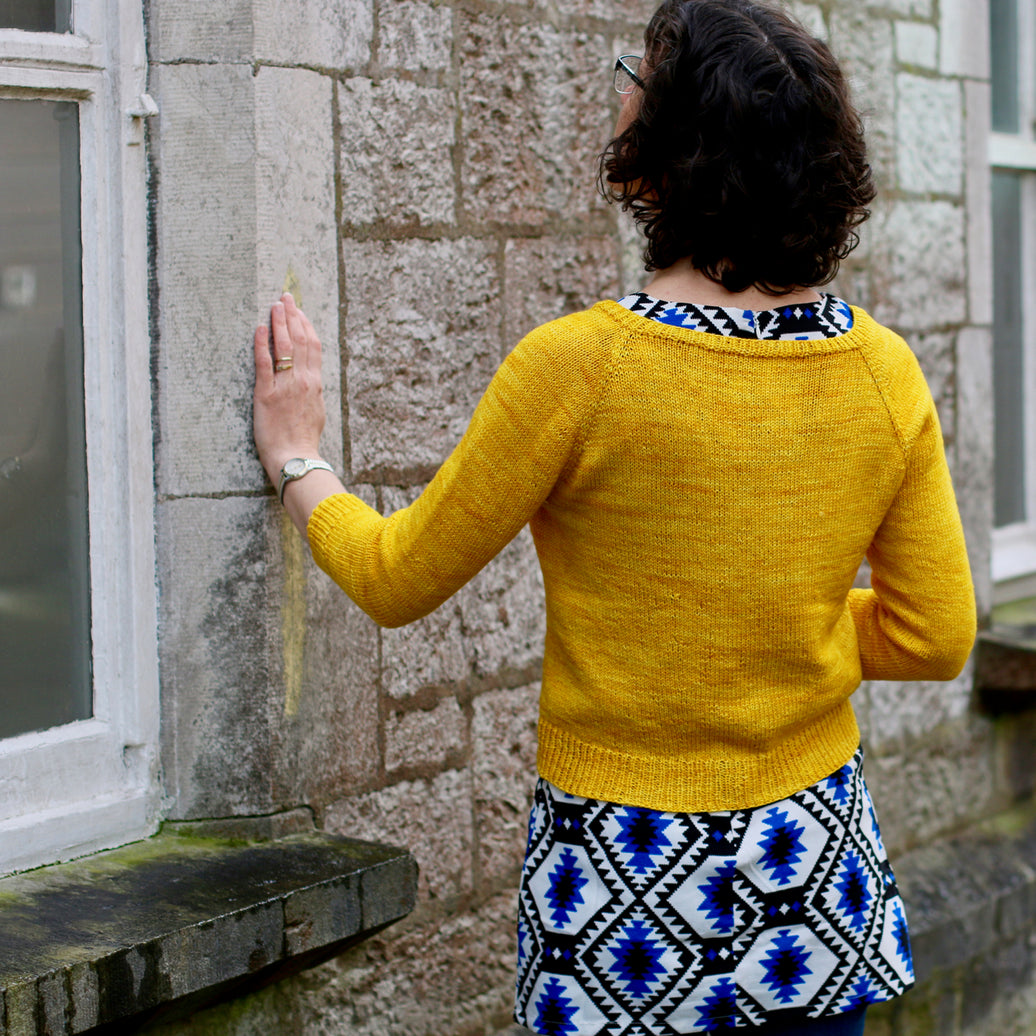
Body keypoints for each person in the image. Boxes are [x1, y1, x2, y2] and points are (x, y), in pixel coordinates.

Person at [252, 1, 976, 1032]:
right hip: (808, 890)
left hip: (620, 894)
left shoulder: (581, 369)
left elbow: (394, 575)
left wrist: (297, 459)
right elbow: (932, 634)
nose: (619, 98)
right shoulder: (881, 373)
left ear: (668, 155)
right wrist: (785, 624)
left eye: (633, 80)